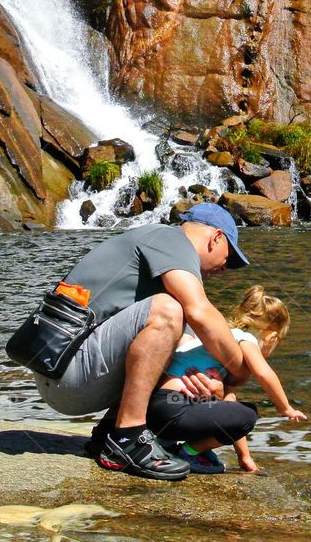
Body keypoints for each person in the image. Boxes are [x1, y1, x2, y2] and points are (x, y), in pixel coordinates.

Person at [32, 203, 252, 481]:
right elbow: (200, 312)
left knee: (178, 334)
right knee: (170, 310)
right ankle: (127, 439)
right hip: (66, 373)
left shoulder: (161, 252)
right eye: (229, 258)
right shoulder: (169, 238)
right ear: (216, 237)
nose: (225, 269)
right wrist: (240, 368)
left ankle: (108, 434)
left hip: (67, 373)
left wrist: (208, 379)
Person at [149, 286, 308, 474]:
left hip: (156, 410)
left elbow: (230, 409)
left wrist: (244, 457)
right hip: (174, 410)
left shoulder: (214, 340)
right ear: (272, 336)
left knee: (232, 410)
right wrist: (285, 407)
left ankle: (191, 448)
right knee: (249, 414)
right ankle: (187, 452)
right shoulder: (244, 338)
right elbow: (264, 373)